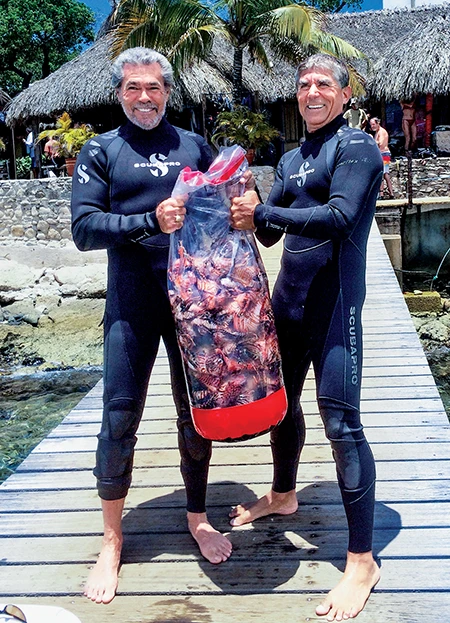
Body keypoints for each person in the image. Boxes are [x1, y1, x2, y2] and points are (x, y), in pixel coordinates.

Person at [71, 47, 233, 605]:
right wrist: (149, 219)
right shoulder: (101, 150)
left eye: (155, 88)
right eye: (134, 88)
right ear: (120, 92)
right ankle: (112, 539)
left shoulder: (193, 144)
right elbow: (84, 228)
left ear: (168, 91)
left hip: (193, 305)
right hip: (132, 304)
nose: (145, 97)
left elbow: (221, 208)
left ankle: (196, 515)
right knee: (119, 416)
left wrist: (244, 204)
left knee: (197, 414)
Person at [230, 53, 383, 621]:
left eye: (324, 83)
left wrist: (267, 210)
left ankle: (362, 560)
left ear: (344, 96)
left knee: (341, 423)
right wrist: (244, 207)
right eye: (303, 83)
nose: (312, 91)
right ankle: (285, 494)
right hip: (287, 305)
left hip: (334, 304)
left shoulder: (357, 148)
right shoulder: (292, 157)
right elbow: (271, 234)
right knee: (278, 407)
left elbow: (340, 217)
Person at [370, 117, 394, 198]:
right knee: (384, 174)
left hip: (384, 154)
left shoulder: (382, 132)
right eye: (371, 125)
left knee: (383, 174)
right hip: (381, 154)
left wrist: (371, 140)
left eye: (373, 124)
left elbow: (381, 143)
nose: (372, 126)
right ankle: (390, 193)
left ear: (378, 123)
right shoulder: (377, 132)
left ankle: (382, 194)